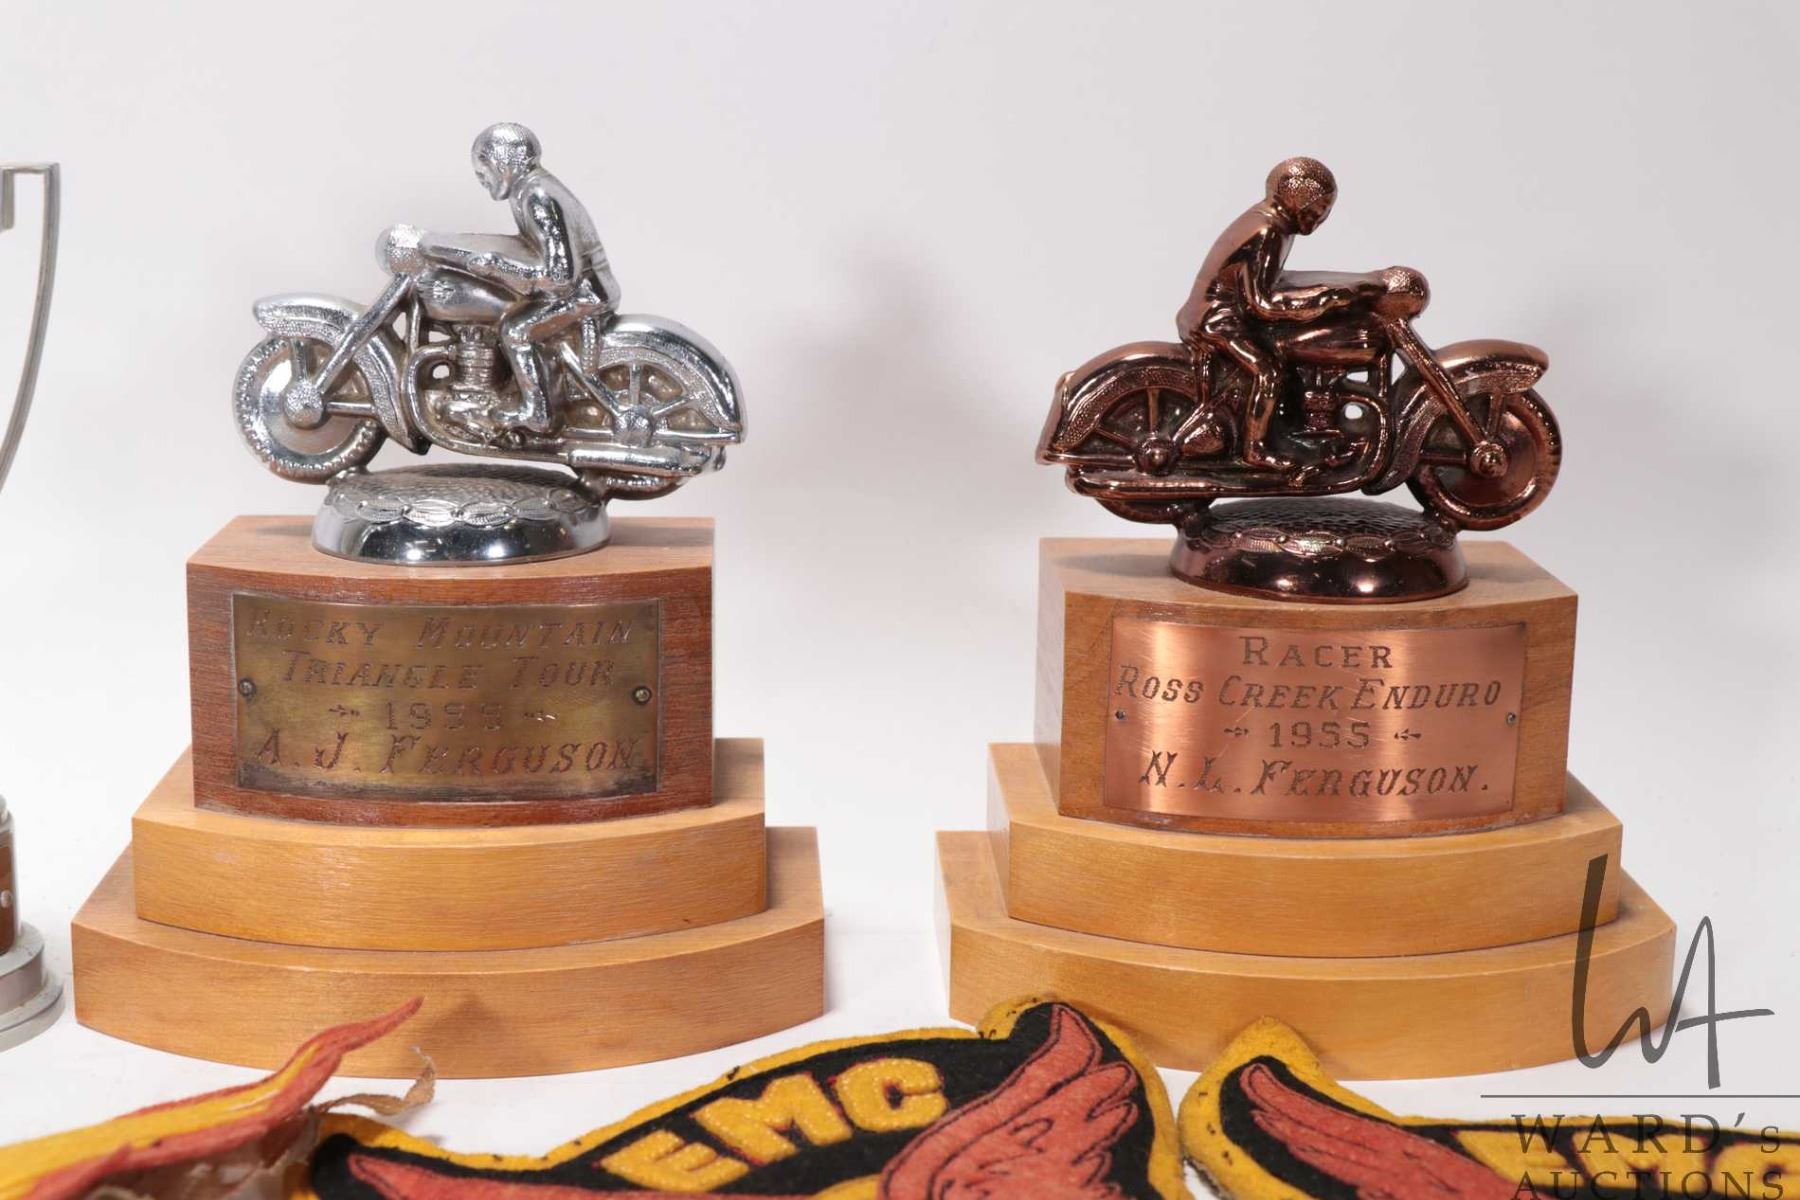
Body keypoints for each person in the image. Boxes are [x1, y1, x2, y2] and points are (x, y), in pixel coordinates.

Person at [1175, 157, 1382, 471]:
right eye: (1320, 208)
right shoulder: (1269, 230)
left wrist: (1339, 285)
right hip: (1219, 319)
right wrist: (1323, 301)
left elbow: (1278, 280)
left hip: (1223, 314)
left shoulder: (1270, 222)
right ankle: (1254, 450)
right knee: (1269, 371)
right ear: (1300, 200)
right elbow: (1262, 304)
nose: (1321, 217)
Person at [417, 123, 621, 435]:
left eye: (483, 169)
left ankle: (537, 411)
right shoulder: (530, 189)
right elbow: (533, 250)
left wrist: (498, 268)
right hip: (582, 288)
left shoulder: (538, 196)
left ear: (503, 164)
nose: (482, 179)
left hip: (584, 293)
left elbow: (561, 276)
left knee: (515, 329)